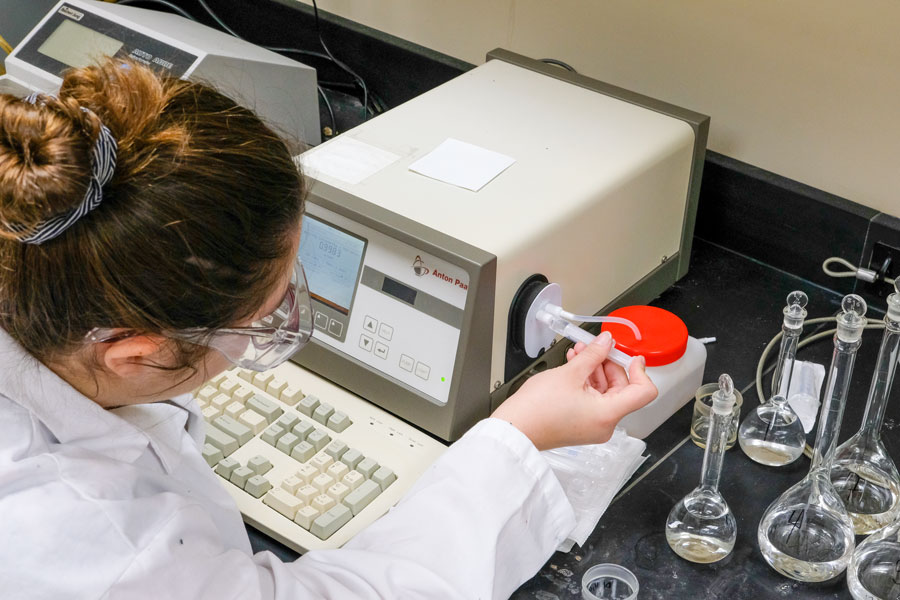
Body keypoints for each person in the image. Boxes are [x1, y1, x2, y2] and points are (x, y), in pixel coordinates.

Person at [0, 59, 657, 599]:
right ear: (134, 355)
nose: (286, 322)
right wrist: (519, 438)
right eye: (264, 318)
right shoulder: (88, 544)